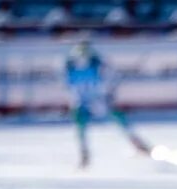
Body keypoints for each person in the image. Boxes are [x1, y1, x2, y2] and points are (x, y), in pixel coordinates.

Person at [64, 38, 150, 168]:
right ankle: (84, 153)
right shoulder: (69, 65)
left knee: (118, 117)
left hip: (97, 98)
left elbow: (111, 77)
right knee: (81, 125)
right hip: (81, 99)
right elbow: (67, 83)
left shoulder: (97, 62)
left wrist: (108, 92)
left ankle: (137, 143)